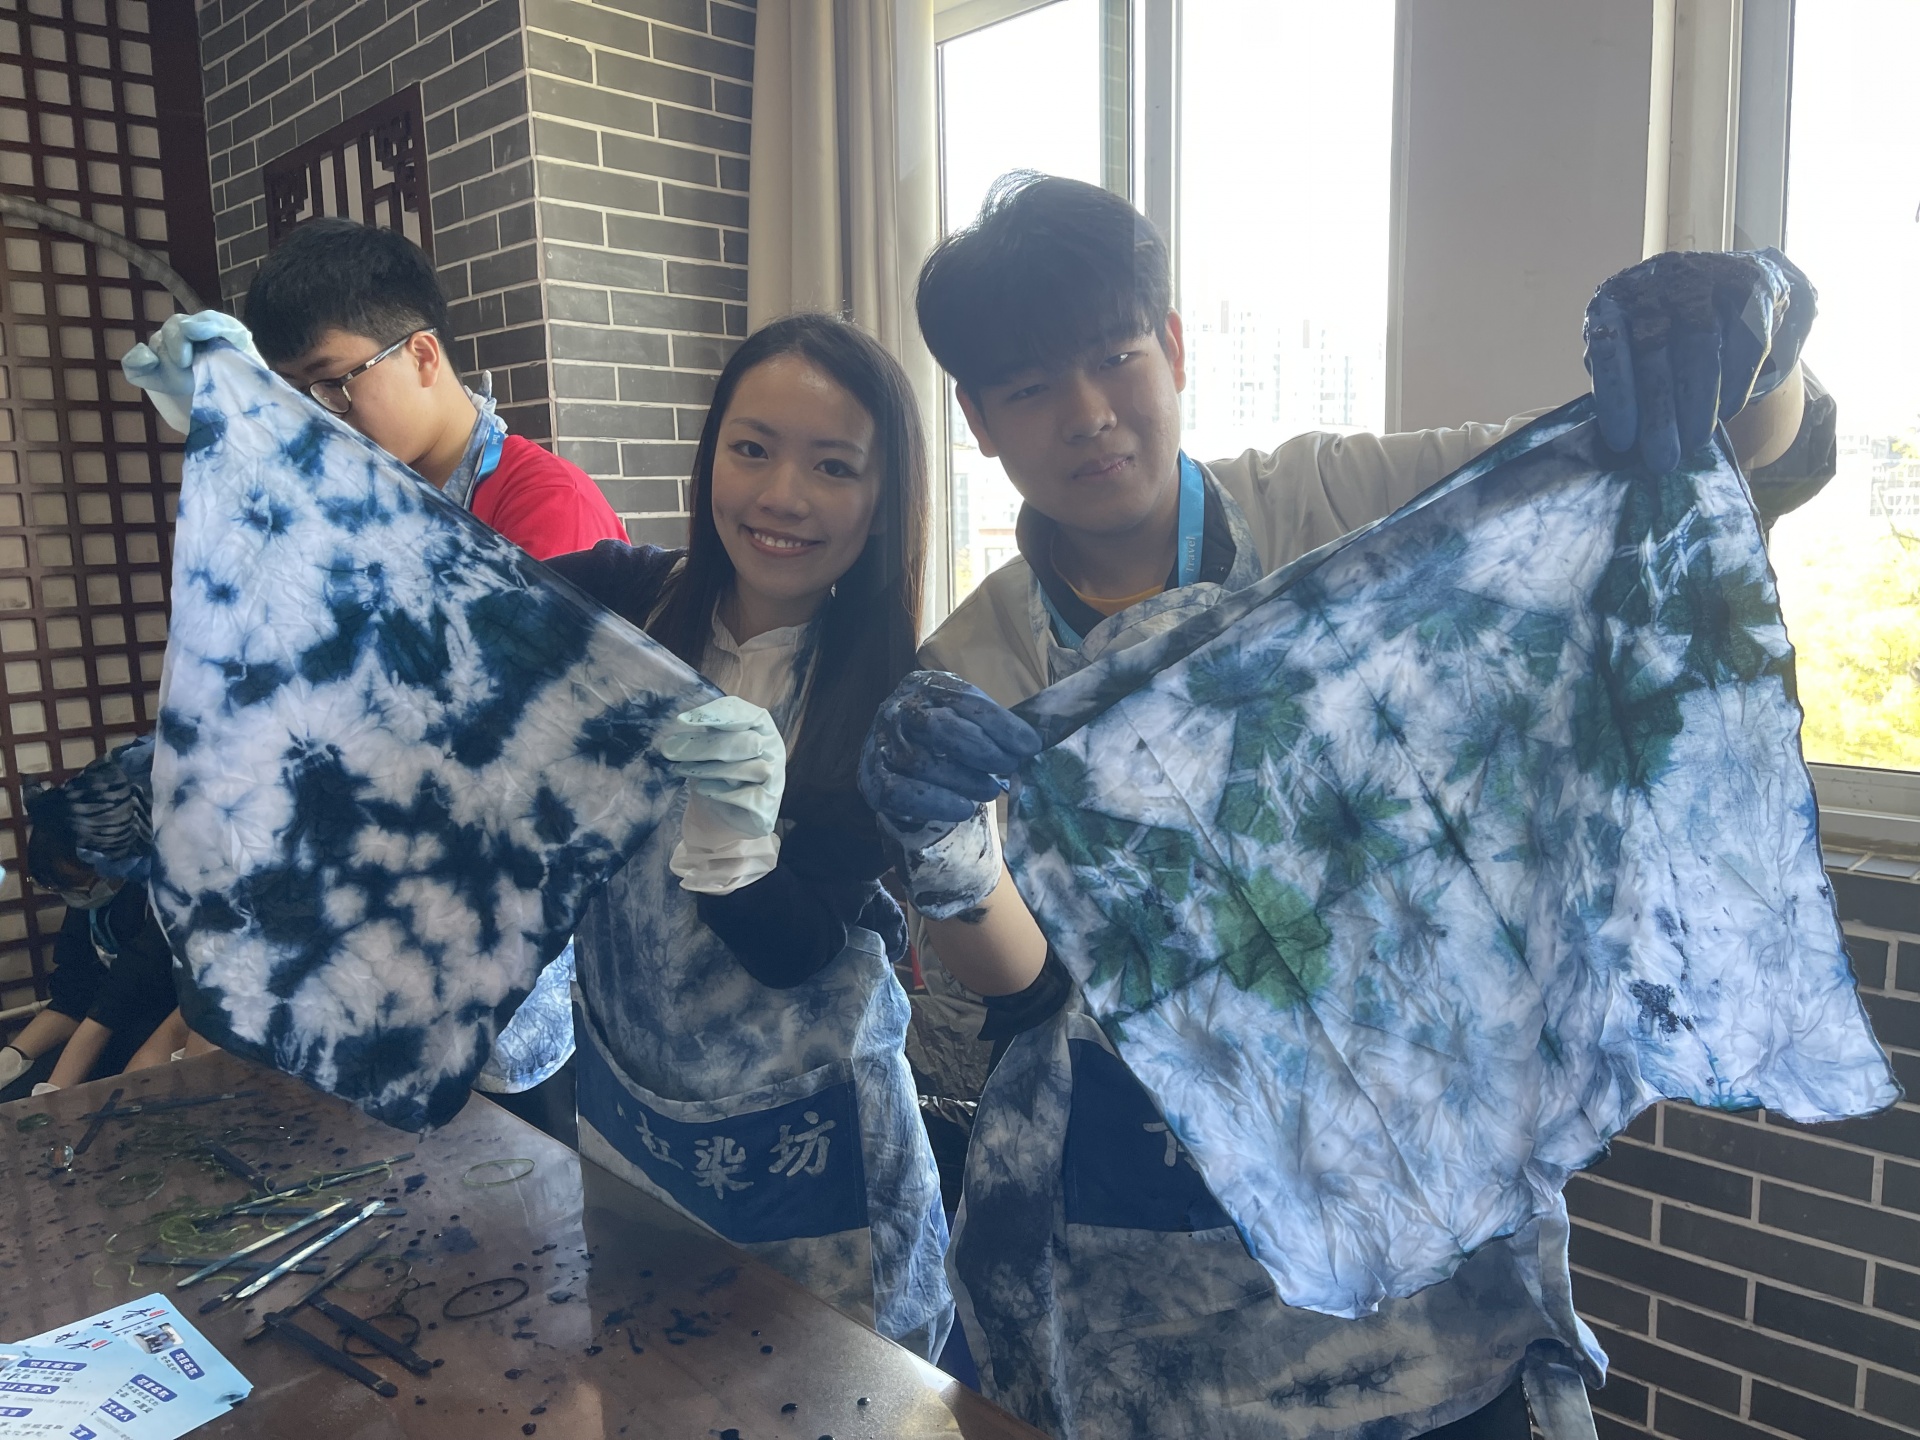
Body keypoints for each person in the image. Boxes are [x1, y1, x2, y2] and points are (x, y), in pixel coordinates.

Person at [859, 174, 1833, 1438]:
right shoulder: (974, 658)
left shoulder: (1336, 501)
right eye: (1032, 387)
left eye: (1115, 358)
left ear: (1175, 349)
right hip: (1142, 1221)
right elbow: (1022, 979)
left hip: (1415, 1159)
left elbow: (1685, 450)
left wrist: (1762, 341)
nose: (1088, 415)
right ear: (980, 422)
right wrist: (941, 850)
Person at [539, 312, 953, 1357]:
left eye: (833, 466)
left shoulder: (897, 700)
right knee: (652, 1386)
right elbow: (438, 591)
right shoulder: (622, 603)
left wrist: (736, 843)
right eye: (753, 448)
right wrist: (269, 437)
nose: (782, 496)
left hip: (815, 1153)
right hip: (635, 1125)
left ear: (883, 499)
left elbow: (797, 951)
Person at [122, 218, 627, 563]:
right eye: (296, 395)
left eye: (332, 384)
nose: (320, 418)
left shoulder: (548, 503)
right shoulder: (352, 493)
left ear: (422, 356)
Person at [0, 741, 180, 1101]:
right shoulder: (90, 899)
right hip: (104, 1027)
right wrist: (13, 1057)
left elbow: (123, 994)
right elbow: (74, 994)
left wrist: (55, 1092)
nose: (73, 894)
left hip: (152, 1025)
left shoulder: (165, 892)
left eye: (77, 881)